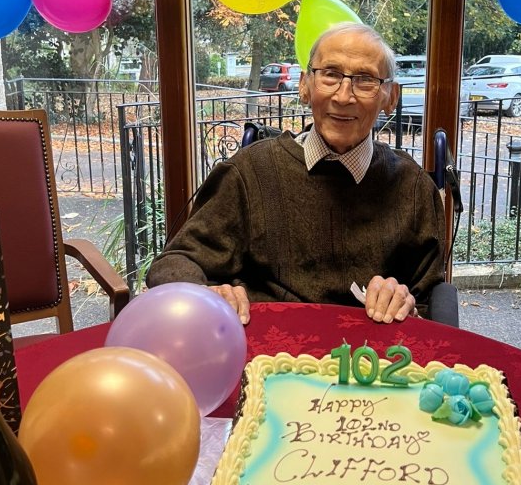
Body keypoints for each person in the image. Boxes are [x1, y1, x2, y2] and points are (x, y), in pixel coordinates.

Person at [147, 23, 446, 325]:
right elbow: (174, 263)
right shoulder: (248, 173)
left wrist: (405, 301)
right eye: (330, 74)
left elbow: (431, 304)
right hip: (265, 355)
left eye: (365, 80)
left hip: (368, 362)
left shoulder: (413, 187)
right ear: (304, 86)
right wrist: (207, 294)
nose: (343, 97)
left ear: (390, 97)